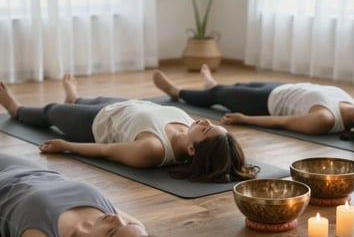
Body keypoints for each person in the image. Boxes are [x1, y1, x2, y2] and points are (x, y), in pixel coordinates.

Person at [0, 76, 257, 183]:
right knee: (83, 101)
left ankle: (16, 108)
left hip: (94, 124)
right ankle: (75, 99)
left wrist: (65, 146)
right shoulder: (189, 128)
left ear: (192, 148)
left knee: (51, 111)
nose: (205, 122)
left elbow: (107, 150)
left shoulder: (153, 150)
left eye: (206, 129)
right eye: (211, 124)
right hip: (122, 107)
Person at [0, 152, 172, 237]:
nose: (117, 218)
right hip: (26, 168)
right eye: (129, 224)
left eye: (111, 232)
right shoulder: (135, 233)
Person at [152, 64, 354, 143]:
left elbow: (284, 121)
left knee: (219, 94)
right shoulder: (348, 98)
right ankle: (212, 84)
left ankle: (176, 91)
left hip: (265, 103)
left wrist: (245, 119)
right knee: (239, 84)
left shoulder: (325, 119)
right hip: (280, 88)